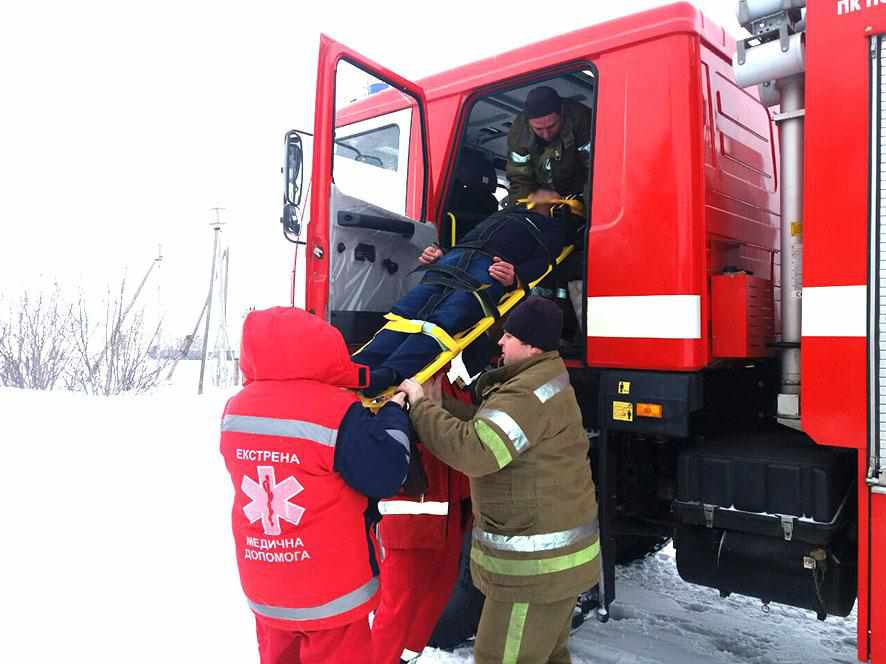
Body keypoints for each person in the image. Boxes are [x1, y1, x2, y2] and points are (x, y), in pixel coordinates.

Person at [396, 296, 600, 664]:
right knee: (548, 656)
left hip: (532, 576)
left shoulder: (525, 395)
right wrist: (442, 404)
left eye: (509, 336)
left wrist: (420, 407)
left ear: (532, 345)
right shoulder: (543, 379)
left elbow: (476, 451)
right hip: (556, 570)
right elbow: (489, 427)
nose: (501, 343)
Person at [219, 306, 412, 664]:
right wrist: (395, 414)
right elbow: (386, 475)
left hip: (267, 584)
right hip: (330, 595)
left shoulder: (235, 410)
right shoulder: (338, 410)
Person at [354, 205, 579, 396]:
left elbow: (546, 263)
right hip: (456, 258)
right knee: (406, 312)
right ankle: (359, 365)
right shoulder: (505, 212)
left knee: (447, 318)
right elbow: (470, 238)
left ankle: (391, 372)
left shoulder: (552, 230)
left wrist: (516, 277)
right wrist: (441, 253)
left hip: (492, 268)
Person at [371, 376, 474, 664]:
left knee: (437, 594)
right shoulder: (399, 379)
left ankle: (406, 658)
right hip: (408, 514)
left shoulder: (454, 382)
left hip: (450, 510)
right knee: (397, 605)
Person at [505, 85, 593, 208]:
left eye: (551, 126)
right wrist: (518, 214)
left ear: (561, 112)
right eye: (539, 129)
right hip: (545, 198)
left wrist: (590, 213)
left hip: (581, 191)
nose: (546, 134)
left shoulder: (583, 120)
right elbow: (520, 179)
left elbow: (595, 171)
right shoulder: (519, 134)